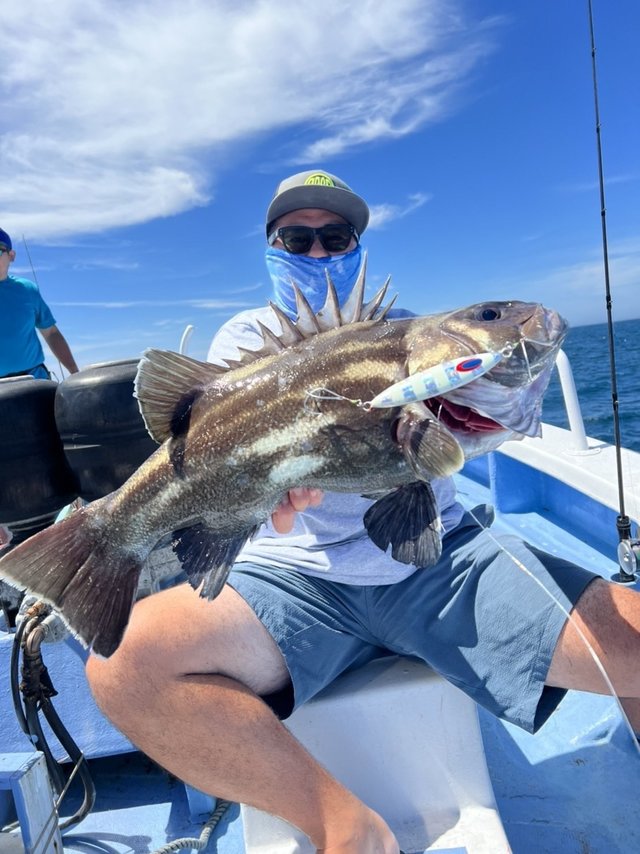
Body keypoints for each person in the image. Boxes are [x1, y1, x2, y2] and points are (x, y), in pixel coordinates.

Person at [85, 170, 640, 854]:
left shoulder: (411, 335)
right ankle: (343, 826)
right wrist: (270, 501)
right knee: (123, 669)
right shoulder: (244, 340)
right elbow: (246, 481)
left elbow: (510, 421)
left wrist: (497, 380)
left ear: (357, 244)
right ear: (271, 247)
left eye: (336, 237)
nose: (318, 254)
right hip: (296, 576)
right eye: (298, 238)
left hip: (443, 561)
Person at [0, 228, 79, 380]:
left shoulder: (27, 290)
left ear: (11, 256)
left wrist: (75, 373)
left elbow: (51, 333)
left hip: (34, 381)